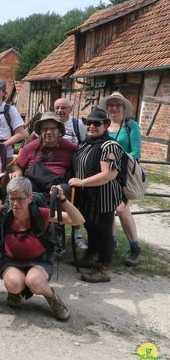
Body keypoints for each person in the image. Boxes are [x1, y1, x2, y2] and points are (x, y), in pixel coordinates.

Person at [0, 177, 85, 320]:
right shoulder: (4, 212)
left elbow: (78, 220)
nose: (15, 203)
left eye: (20, 199)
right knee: (14, 283)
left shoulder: (41, 213)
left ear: (30, 198)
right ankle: (14, 293)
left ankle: (52, 298)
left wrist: (63, 199)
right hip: (12, 261)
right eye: (12, 199)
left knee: (34, 281)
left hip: (39, 262)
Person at [69, 108, 125, 283]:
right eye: (88, 123)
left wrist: (81, 182)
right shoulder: (87, 143)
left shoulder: (110, 146)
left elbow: (108, 174)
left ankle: (103, 268)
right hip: (88, 196)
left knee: (104, 231)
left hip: (104, 195)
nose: (91, 126)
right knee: (91, 227)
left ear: (106, 125)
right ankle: (91, 256)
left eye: (96, 123)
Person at [98, 91, 142, 266]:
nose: (114, 108)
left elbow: (136, 152)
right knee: (108, 210)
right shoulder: (104, 125)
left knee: (122, 209)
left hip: (122, 175)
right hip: (104, 175)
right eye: (111, 105)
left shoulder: (131, 126)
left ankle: (135, 249)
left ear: (123, 108)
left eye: (117, 105)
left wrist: (116, 157)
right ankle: (111, 244)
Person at [9, 113, 77, 207]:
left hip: (58, 185)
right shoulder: (30, 147)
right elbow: (17, 165)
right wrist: (18, 172)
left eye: (53, 128)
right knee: (19, 188)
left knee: (59, 191)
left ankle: (55, 220)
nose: (49, 132)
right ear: (40, 131)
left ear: (59, 131)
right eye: (45, 129)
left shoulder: (71, 148)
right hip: (33, 185)